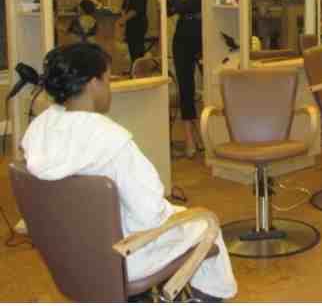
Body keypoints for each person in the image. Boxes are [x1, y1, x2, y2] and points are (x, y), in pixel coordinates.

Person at [21, 43, 237, 301]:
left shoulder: (38, 130)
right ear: (93, 83)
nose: (109, 87)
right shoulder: (111, 140)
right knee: (206, 226)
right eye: (107, 79)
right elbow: (151, 214)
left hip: (68, 255)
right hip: (123, 257)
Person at [168, 0, 203, 158]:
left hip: (202, 39)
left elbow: (187, 5)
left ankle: (205, 133)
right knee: (186, 89)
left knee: (209, 86)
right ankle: (189, 137)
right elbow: (169, 9)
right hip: (182, 40)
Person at [119, 0, 149, 66]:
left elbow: (137, 9)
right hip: (130, 23)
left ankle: (140, 70)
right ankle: (134, 69)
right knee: (131, 49)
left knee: (138, 50)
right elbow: (124, 5)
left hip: (139, 23)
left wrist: (124, 19)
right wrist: (123, 14)